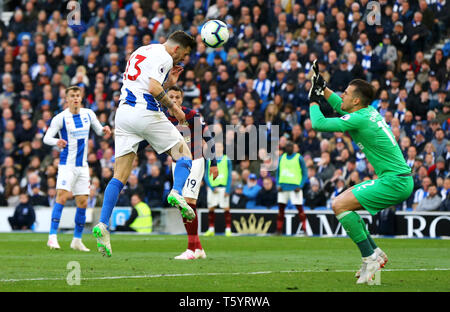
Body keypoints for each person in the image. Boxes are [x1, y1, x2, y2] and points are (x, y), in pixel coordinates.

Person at [92, 31, 197, 257]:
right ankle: (177, 191)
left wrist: (170, 82)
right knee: (184, 153)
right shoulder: (166, 56)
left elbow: (146, 82)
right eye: (184, 54)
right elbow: (153, 88)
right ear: (177, 48)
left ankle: (102, 223)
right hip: (145, 111)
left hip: (123, 114)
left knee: (119, 176)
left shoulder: (142, 50)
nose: (182, 60)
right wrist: (175, 108)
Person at [308, 60, 413, 284]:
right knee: (344, 205)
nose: (341, 96)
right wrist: (323, 87)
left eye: (345, 93)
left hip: (395, 182)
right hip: (397, 179)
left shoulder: (359, 119)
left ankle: (370, 256)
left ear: (356, 100)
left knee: (338, 204)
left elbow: (318, 124)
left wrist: (314, 99)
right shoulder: (367, 111)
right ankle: (375, 254)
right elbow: (340, 105)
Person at [43, 86, 111, 252]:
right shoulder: (60, 118)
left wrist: (105, 130)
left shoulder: (88, 114)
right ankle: (52, 237)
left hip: (83, 166)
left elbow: (99, 130)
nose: (75, 98)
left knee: (82, 201)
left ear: (81, 98)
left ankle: (77, 240)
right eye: (72, 96)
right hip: (67, 165)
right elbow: (47, 138)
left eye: (77, 95)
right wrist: (56, 142)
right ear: (66, 99)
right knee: (62, 196)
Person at [166, 85, 218, 260]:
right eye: (171, 97)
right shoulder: (163, 118)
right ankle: (198, 248)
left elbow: (208, 137)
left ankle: (190, 249)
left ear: (182, 99)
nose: (174, 100)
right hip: (177, 164)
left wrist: (214, 163)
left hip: (195, 160)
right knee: (182, 203)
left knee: (188, 201)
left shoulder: (192, 115)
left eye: (177, 97)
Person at [275, 141, 308, 235]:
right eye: (287, 146)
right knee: (280, 210)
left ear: (293, 148)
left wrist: (300, 186)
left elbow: (305, 174)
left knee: (300, 210)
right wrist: (278, 184)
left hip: (295, 188)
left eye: (291, 146)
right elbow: (278, 173)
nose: (289, 148)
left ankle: (305, 230)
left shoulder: (299, 158)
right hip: (283, 187)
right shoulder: (281, 158)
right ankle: (279, 230)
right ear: (285, 148)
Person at [204, 141, 233, 237]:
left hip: (223, 188)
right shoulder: (209, 160)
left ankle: (228, 229)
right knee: (211, 208)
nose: (218, 149)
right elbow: (206, 175)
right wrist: (211, 187)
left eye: (220, 147)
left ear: (223, 148)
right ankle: (211, 229)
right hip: (213, 188)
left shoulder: (227, 160)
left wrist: (228, 189)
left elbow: (229, 176)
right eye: (216, 147)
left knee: (226, 208)